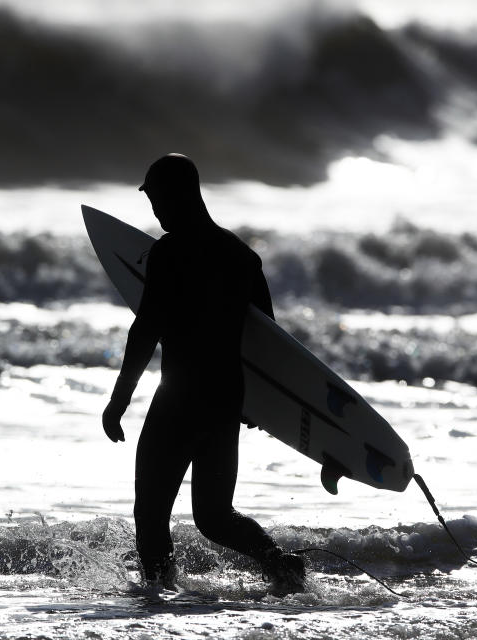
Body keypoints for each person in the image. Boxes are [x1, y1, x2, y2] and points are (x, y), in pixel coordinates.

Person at [101, 153, 306, 595]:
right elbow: (266, 340)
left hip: (180, 398)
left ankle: (159, 595)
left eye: (156, 199)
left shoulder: (170, 253)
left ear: (178, 195)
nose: (154, 210)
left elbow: (146, 329)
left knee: (151, 513)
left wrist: (119, 399)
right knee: (215, 516)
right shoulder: (242, 257)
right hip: (225, 400)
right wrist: (258, 404)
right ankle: (281, 566)